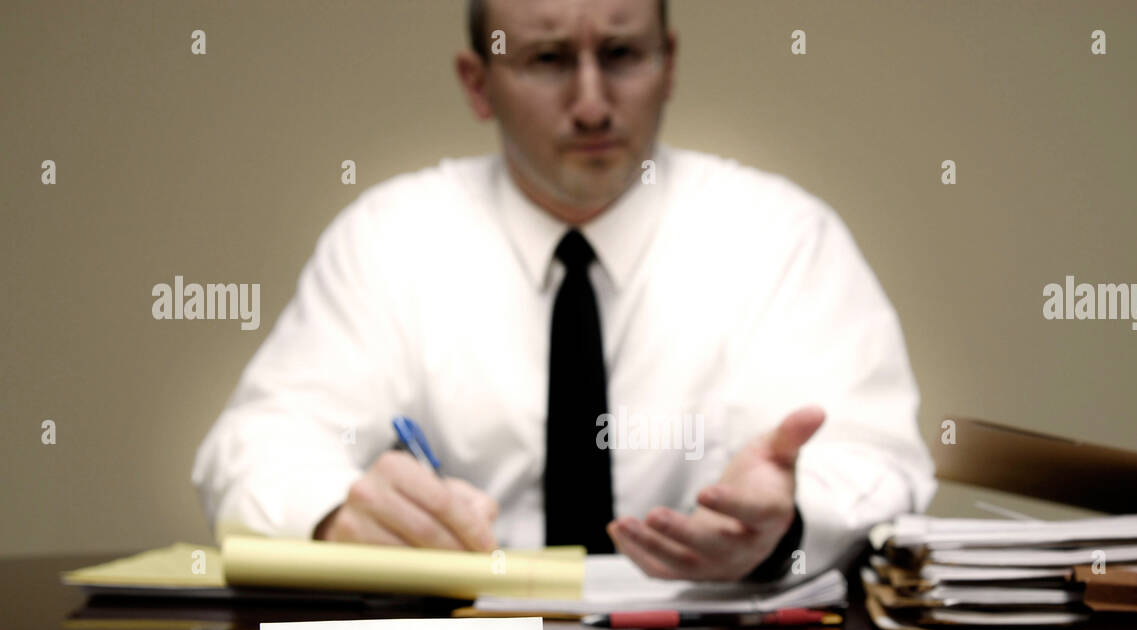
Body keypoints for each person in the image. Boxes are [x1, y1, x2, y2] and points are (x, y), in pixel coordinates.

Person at [192, 0, 934, 581]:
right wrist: (337, 516)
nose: (591, 105)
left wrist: (787, 528)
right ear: (477, 84)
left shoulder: (783, 237)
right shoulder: (389, 239)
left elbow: (881, 462)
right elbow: (256, 447)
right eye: (547, 59)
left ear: (669, 63)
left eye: (621, 55)